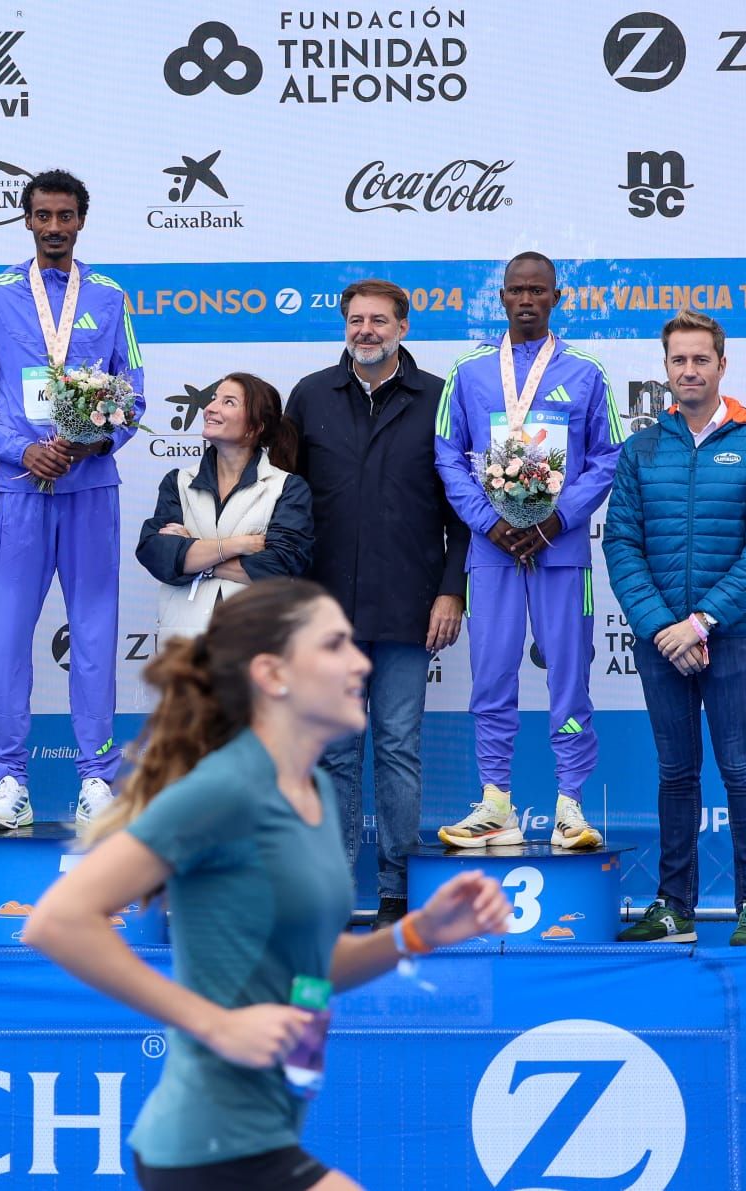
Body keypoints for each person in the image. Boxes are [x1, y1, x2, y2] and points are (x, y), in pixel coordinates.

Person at [24, 579, 508, 1190]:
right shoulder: (228, 788)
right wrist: (215, 1023)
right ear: (273, 674)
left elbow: (310, 965)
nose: (361, 659)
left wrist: (416, 933)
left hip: (266, 1135)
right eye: (335, 645)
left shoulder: (317, 796)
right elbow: (57, 920)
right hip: (205, 1149)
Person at [0, 168, 145, 830]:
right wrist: (18, 448)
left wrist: (97, 442)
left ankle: (97, 778)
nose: (56, 227)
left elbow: (134, 395)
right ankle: (10, 780)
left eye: (67, 216)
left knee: (93, 637)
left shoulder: (111, 295)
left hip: (91, 490)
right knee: (8, 638)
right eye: (44, 215)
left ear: (82, 220)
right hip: (19, 491)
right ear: (27, 220)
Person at [285, 279, 469, 926]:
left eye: (379, 321)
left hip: (409, 606)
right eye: (356, 320)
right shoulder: (309, 397)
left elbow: (461, 514)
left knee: (396, 744)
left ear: (403, 327)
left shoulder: (438, 400)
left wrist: (452, 589)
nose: (366, 330)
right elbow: (288, 505)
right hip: (325, 612)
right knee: (333, 750)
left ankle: (396, 892)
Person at [605, 311, 746, 947]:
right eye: (678, 361)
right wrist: (664, 627)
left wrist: (701, 621)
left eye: (700, 360)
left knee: (740, 767)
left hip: (731, 635)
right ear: (665, 369)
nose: (689, 370)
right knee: (675, 773)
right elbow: (622, 544)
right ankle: (673, 907)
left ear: (721, 365)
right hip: (662, 641)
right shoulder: (642, 448)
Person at [432, 252, 624, 852]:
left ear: (556, 298)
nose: (526, 300)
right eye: (516, 290)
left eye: (538, 291)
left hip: (559, 550)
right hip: (491, 553)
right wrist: (490, 524)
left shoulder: (587, 371)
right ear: (503, 298)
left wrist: (555, 520)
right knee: (491, 676)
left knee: (568, 676)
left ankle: (570, 806)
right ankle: (495, 802)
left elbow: (608, 459)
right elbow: (447, 455)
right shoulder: (468, 371)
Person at [136, 372, 312, 641]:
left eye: (229, 402)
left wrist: (195, 560)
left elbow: (280, 566)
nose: (210, 408)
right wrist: (237, 546)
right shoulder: (179, 482)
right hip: (183, 645)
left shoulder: (287, 487)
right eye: (214, 398)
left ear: (255, 427)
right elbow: (156, 554)